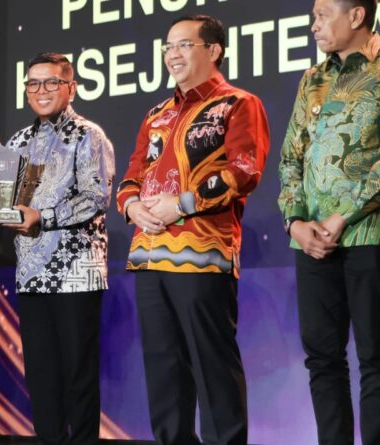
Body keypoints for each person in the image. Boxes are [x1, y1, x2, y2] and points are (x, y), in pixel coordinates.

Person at [117, 15, 269, 445]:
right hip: (148, 256)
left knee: (212, 368)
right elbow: (132, 174)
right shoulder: (156, 114)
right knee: (164, 375)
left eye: (183, 45)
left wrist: (181, 204)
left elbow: (244, 170)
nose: (172, 55)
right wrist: (131, 206)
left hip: (203, 256)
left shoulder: (237, 103)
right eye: (168, 47)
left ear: (213, 50)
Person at [0, 52, 114, 444]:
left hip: (76, 272)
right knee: (42, 377)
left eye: (51, 82)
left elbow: (96, 198)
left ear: (71, 88)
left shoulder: (88, 135)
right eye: (33, 83)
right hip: (31, 274)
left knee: (78, 376)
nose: (41, 90)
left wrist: (42, 217)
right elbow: (2, 198)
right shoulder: (17, 142)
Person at [278, 1, 380, 443]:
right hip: (312, 242)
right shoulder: (312, 79)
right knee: (322, 359)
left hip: (369, 234)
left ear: (356, 16)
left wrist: (345, 215)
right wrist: (294, 222)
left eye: (322, 15)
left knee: (376, 359)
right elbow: (290, 158)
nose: (314, 25)